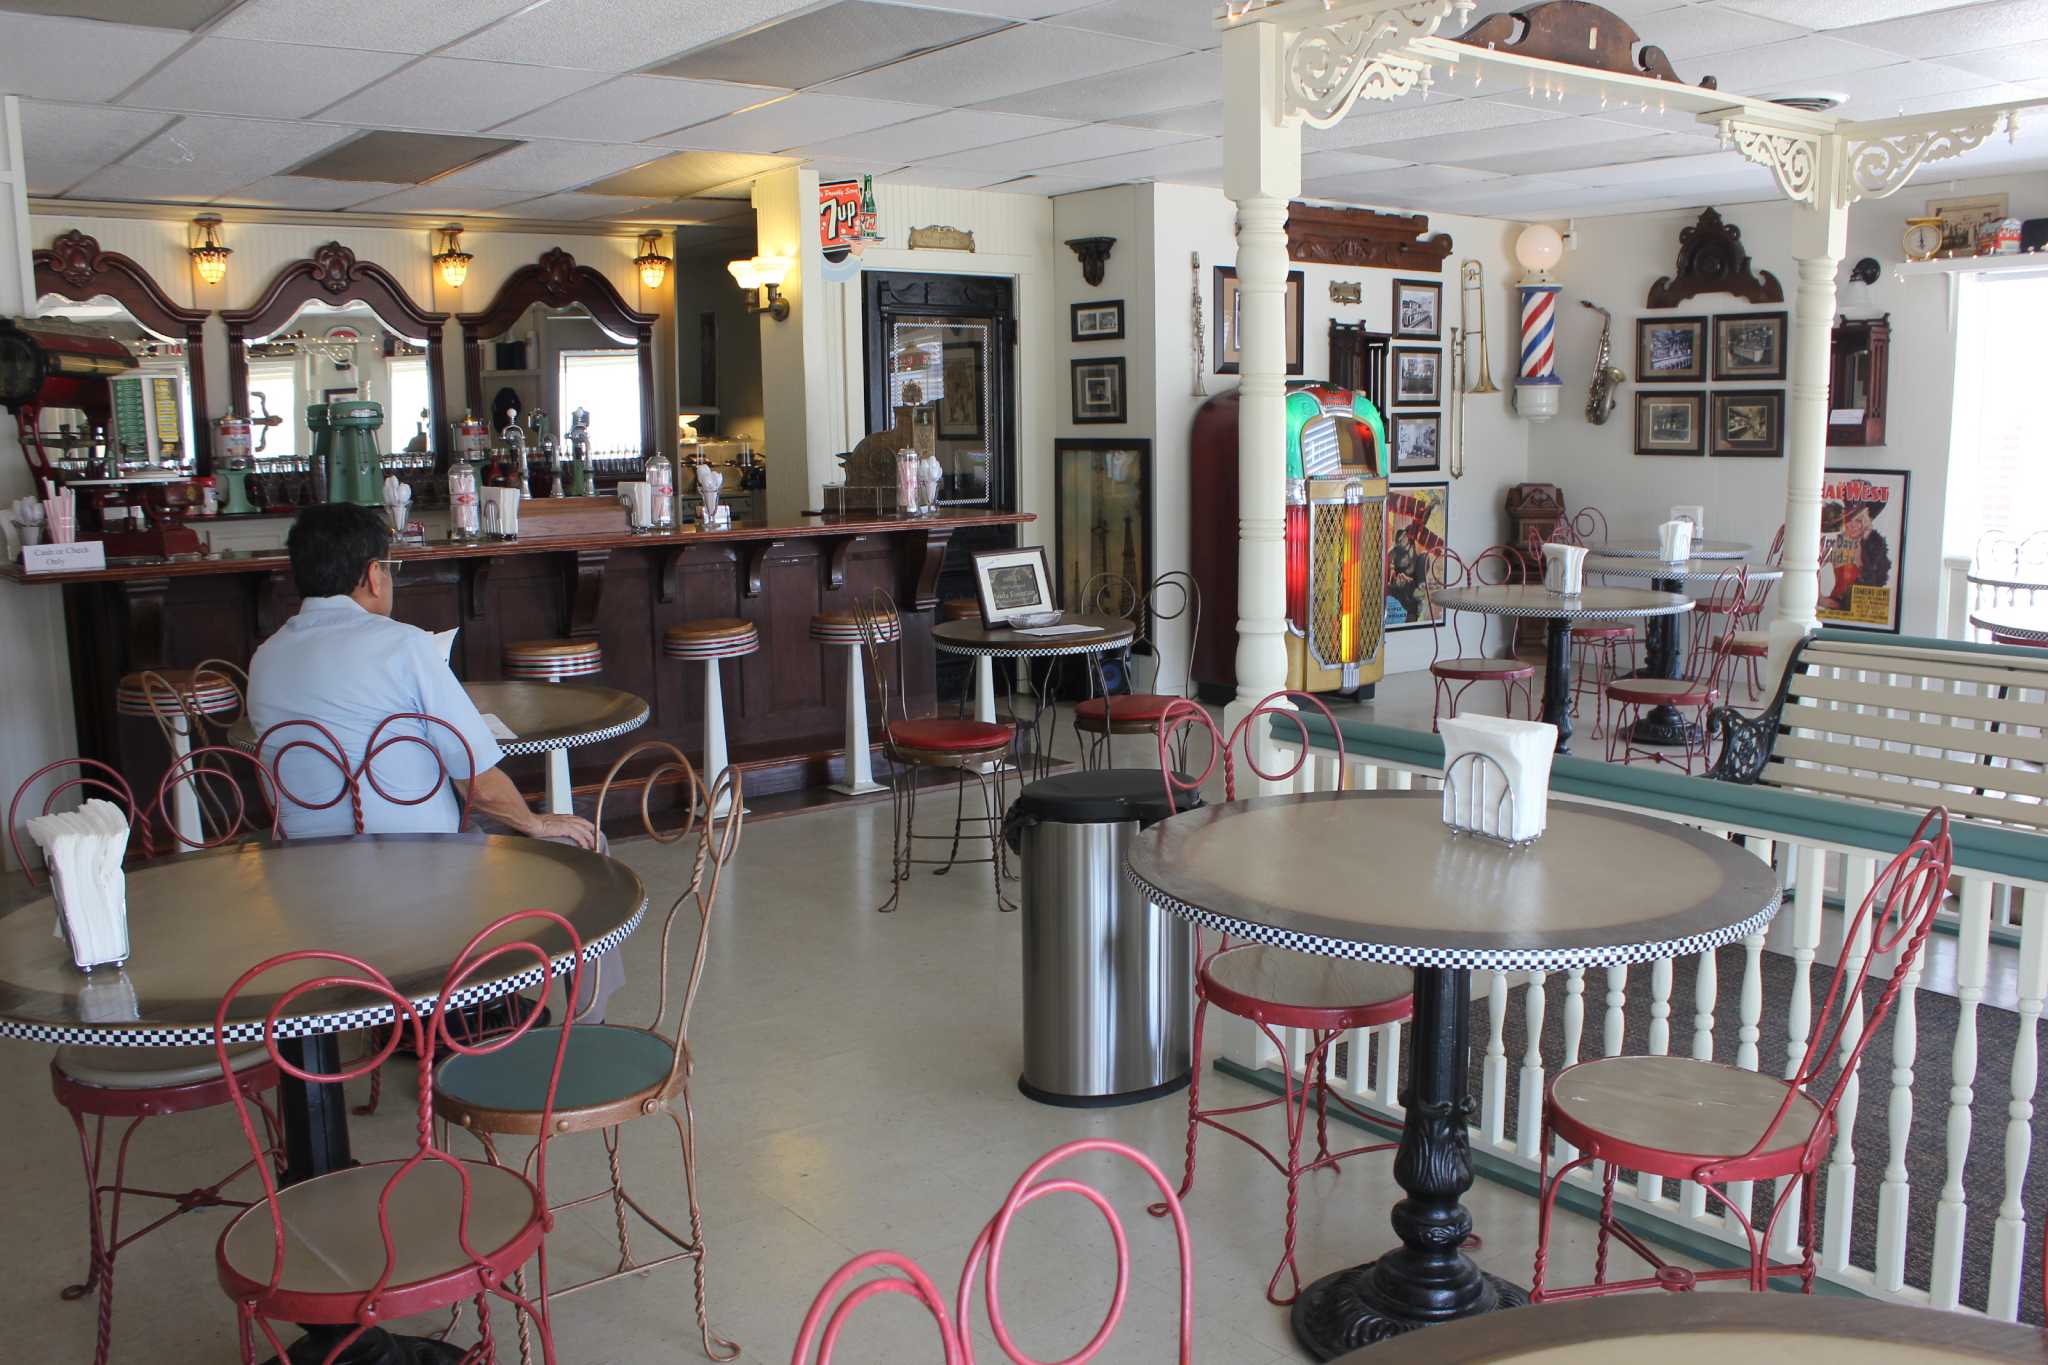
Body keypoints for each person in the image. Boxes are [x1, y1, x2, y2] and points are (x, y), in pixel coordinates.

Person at [249, 503, 597, 848]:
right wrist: (536, 823)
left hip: (302, 871)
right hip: (416, 865)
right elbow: (479, 784)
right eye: (390, 569)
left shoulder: (264, 659)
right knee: (584, 843)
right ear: (374, 575)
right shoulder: (403, 646)